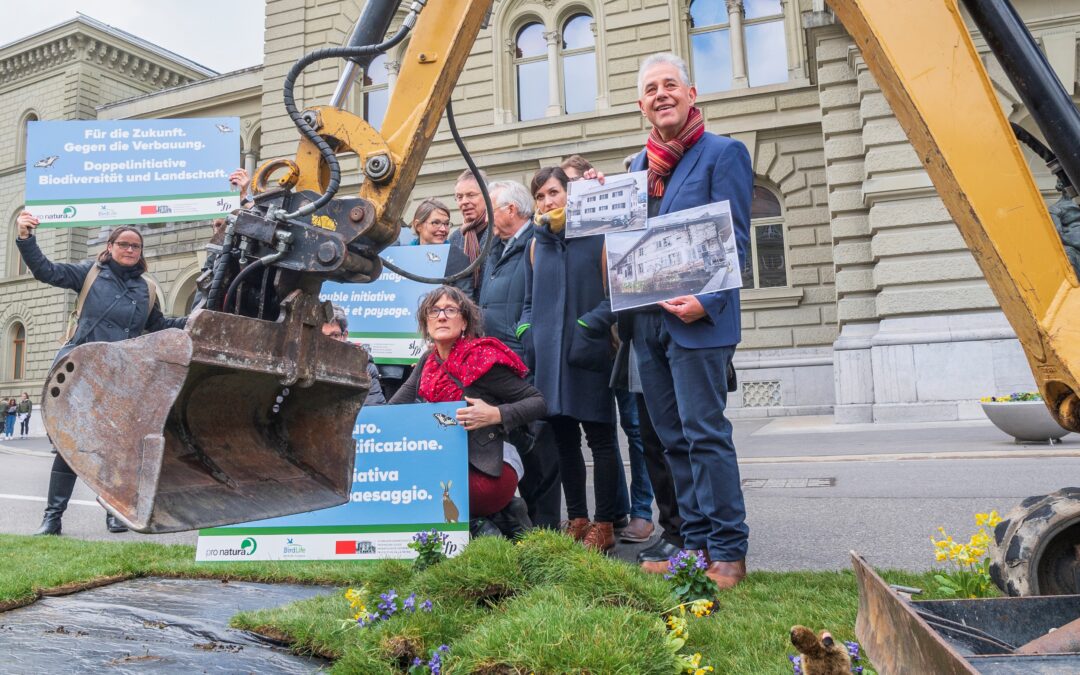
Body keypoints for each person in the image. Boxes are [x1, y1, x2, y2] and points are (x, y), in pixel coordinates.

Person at [626, 53, 753, 590]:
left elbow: (738, 239)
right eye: (651, 88)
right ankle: (694, 546)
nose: (661, 94)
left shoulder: (722, 153)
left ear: (691, 93)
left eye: (670, 84)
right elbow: (622, 241)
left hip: (698, 320)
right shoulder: (636, 168)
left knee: (705, 434)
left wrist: (711, 301)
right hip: (648, 324)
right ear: (641, 105)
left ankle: (728, 550)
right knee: (671, 439)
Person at [15, 211, 187, 536]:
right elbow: (46, 271)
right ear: (110, 246)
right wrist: (26, 238)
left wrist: (191, 321)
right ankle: (52, 517)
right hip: (82, 374)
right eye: (124, 244)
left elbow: (159, 326)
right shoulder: (89, 273)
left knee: (115, 447)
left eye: (136, 246)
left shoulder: (145, 289)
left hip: (121, 378)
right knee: (70, 447)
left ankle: (113, 512)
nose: (130, 250)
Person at [518, 166, 621, 551]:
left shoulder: (599, 237)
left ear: (570, 194)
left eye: (553, 192)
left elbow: (616, 298)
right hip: (547, 357)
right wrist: (528, 332)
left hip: (588, 352)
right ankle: (577, 518)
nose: (547, 201)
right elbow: (529, 303)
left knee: (601, 440)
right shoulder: (535, 244)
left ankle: (605, 523)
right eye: (541, 196)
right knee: (564, 441)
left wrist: (588, 325)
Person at [390, 286, 545, 533]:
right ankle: (493, 522)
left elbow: (537, 402)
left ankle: (483, 526)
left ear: (464, 322)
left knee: (428, 494)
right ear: (426, 323)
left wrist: (496, 414)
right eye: (434, 311)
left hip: (488, 467)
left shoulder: (481, 359)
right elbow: (392, 412)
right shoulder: (426, 362)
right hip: (447, 462)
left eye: (450, 310)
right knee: (404, 486)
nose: (441, 316)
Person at [560, 154, 656, 544]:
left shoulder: (610, 219)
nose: (570, 196)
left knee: (635, 429)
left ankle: (643, 512)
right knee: (603, 434)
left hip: (623, 341)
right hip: (593, 350)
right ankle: (611, 513)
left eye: (574, 186)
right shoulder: (568, 232)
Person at [477, 180, 561, 529]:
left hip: (524, 360)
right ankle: (523, 527)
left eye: (492, 207)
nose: (486, 215)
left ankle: (545, 529)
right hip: (498, 362)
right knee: (517, 447)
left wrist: (523, 343)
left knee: (540, 445)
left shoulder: (536, 243)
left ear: (511, 210)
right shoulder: (497, 246)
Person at [324, 305, 386, 406]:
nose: (328, 342)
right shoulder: (299, 365)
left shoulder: (364, 366)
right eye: (321, 336)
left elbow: (373, 409)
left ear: (344, 336)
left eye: (335, 335)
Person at [449, 169, 492, 299]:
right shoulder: (455, 238)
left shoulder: (498, 230)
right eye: (459, 197)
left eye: (471, 195)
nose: (464, 202)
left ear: (486, 196)